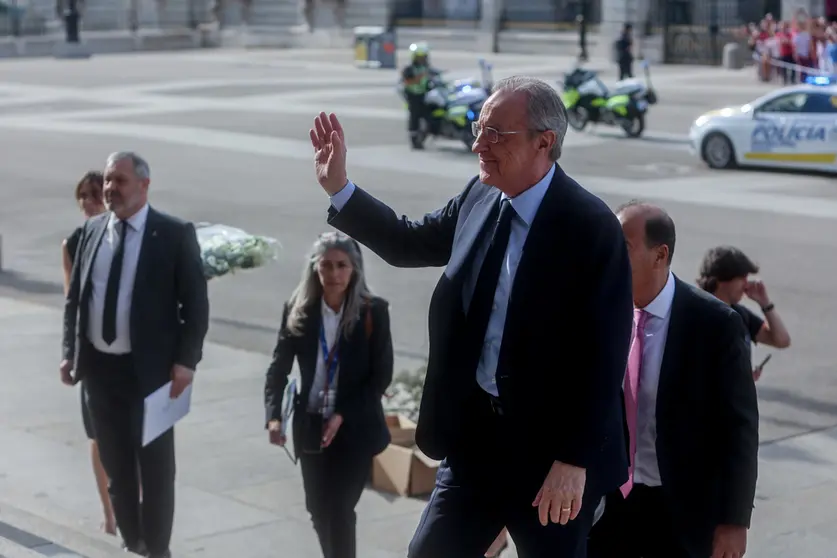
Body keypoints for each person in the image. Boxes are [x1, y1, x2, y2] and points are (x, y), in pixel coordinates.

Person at [308, 74, 635, 557]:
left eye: (496, 134)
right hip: (476, 445)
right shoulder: (481, 197)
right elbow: (409, 242)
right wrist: (340, 188)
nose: (478, 143)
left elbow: (604, 357)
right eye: (479, 127)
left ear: (545, 142)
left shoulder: (589, 228)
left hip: (550, 460)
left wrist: (573, 459)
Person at [588, 201, 759, 558]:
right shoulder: (601, 311)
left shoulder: (714, 324)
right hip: (610, 504)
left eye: (625, 246)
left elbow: (738, 430)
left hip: (681, 508)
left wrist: (733, 522)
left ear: (659, 255)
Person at [60, 151, 209, 558]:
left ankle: (157, 548)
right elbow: (75, 300)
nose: (110, 188)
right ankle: (133, 541)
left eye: (120, 181)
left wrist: (186, 362)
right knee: (117, 469)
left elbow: (195, 305)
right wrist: (70, 352)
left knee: (157, 471)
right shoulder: (91, 232)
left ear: (144, 185)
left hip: (153, 374)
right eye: (108, 180)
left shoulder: (173, 234)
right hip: (100, 374)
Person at [264, 232, 393, 558]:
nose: (334, 274)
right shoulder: (299, 310)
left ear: (354, 270)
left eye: (341, 266)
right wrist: (273, 417)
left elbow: (380, 376)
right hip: (311, 424)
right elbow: (278, 367)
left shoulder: (372, 312)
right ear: (315, 269)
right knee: (317, 508)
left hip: (354, 426)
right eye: (326, 266)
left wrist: (342, 414)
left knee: (340, 508)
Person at [61, 170, 117, 537]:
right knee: (97, 436)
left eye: (95, 194)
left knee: (134, 436)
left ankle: (134, 502)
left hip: (128, 356)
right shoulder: (74, 243)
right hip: (93, 356)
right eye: (83, 195)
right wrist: (70, 354)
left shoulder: (124, 236)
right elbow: (72, 303)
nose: (89, 201)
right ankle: (110, 513)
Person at [697, 245, 791, 381]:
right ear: (723, 279)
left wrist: (765, 303)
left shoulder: (740, 314)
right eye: (742, 278)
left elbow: (782, 340)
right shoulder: (696, 315)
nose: (746, 285)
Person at [401, 42, 434, 149]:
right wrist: (420, 77)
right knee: (414, 118)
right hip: (413, 97)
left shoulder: (426, 68)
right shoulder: (409, 69)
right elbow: (407, 82)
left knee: (430, 117)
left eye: (423, 57)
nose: (422, 59)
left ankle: (424, 137)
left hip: (425, 95)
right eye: (419, 57)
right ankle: (414, 140)